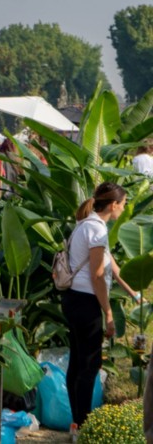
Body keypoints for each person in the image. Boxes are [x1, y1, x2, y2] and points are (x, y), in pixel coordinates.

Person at [63, 182, 140, 428]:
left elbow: (113, 269)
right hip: (87, 302)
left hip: (73, 299)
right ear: (114, 204)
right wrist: (108, 313)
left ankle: (76, 423)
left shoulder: (85, 224)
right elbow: (98, 275)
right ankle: (83, 425)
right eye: (124, 203)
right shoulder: (97, 230)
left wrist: (136, 295)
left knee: (77, 362)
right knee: (90, 365)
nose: (124, 208)